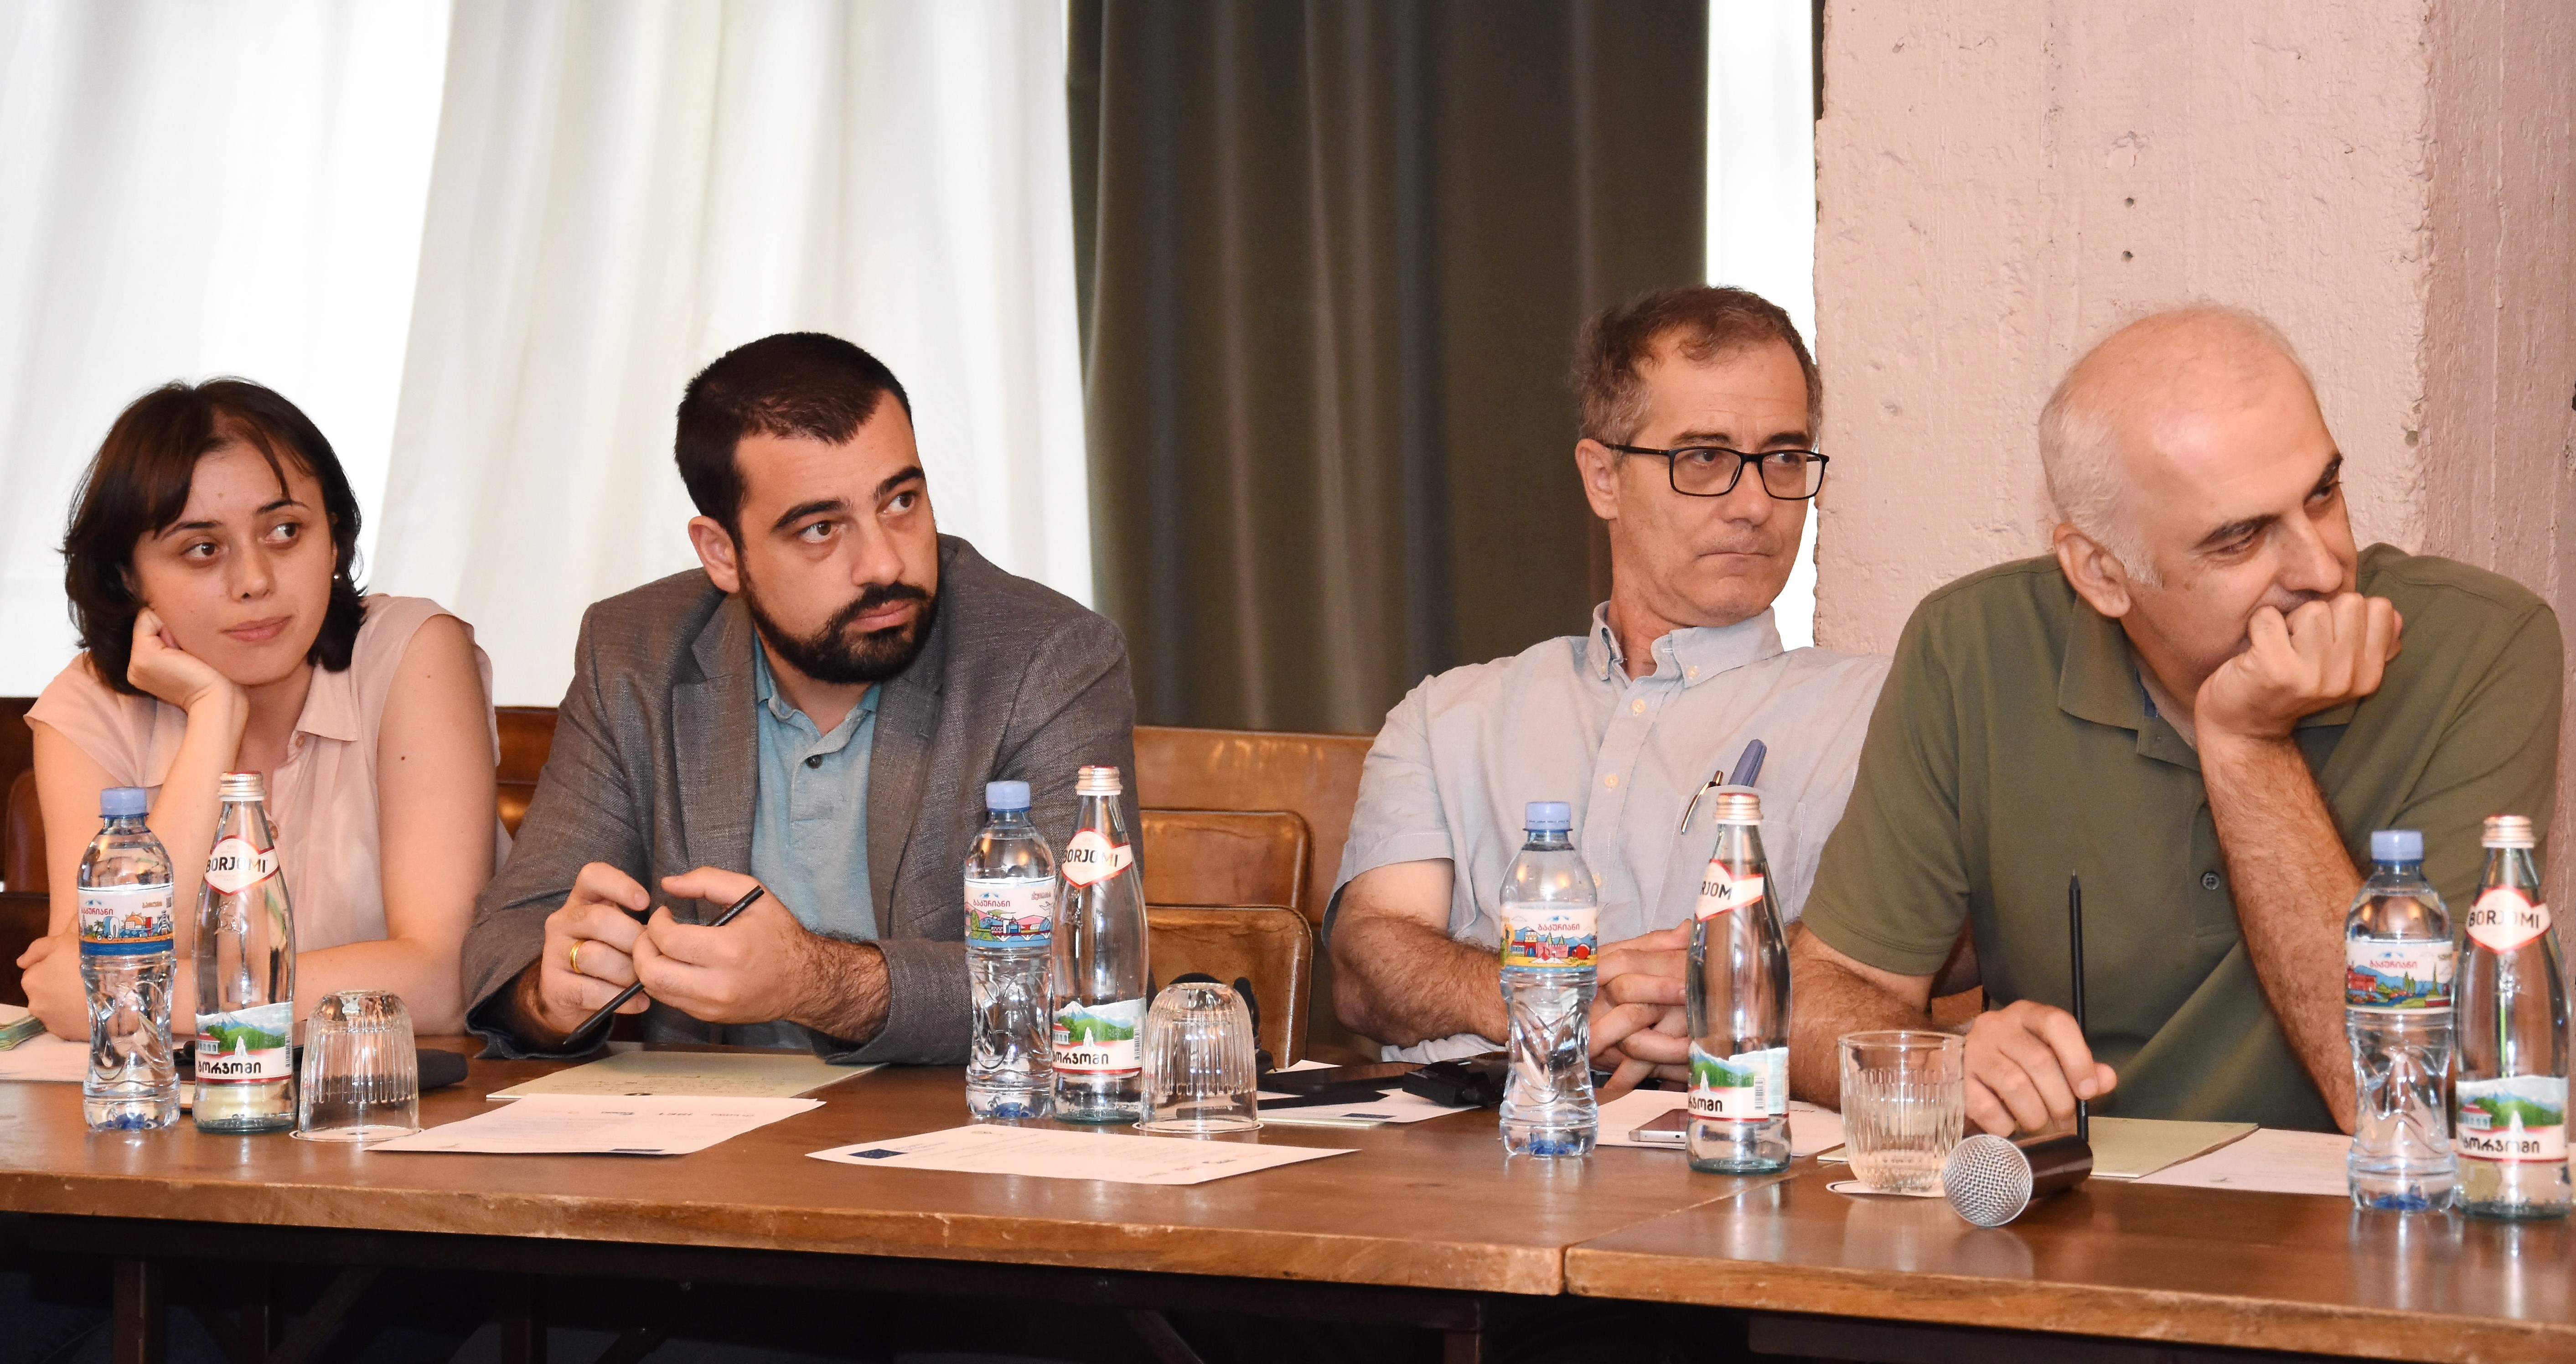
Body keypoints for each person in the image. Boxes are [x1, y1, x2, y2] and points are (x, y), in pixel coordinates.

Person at [1790, 306, 2563, 1136]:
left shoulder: (2484, 645)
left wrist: (2249, 745)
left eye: (2322, 493)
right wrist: (1939, 1064)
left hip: (2358, 1204)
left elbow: (2406, 1102)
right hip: (2072, 1199)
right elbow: (1819, 993)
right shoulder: (1971, 647)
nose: (2322, 567)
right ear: (2101, 574)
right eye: (2240, 539)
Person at [462, 332, 1136, 1061]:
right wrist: (554, 991)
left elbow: (1080, 980)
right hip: (710, 1127)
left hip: (959, 1121)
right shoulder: (634, 654)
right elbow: (509, 940)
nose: (884, 563)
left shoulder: (1046, 657)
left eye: (901, 501)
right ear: (722, 554)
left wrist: (814, 982)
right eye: (820, 528)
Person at [1329, 285, 1889, 1085]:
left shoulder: (1884, 714)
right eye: (1705, 458)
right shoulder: (1448, 717)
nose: (1754, 504)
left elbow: (1912, 960)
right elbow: (1367, 969)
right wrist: (1552, 999)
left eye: (1784, 459)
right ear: (1603, 479)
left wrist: (1705, 988)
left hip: (1731, 1135)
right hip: (1459, 1138)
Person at [16, 379, 504, 1037]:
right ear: (129, 576)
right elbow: (82, 985)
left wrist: (143, 996)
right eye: (203, 549)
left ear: (334, 540)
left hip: (393, 1095)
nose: (255, 581)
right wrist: (213, 716)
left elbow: (444, 980)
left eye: (285, 531)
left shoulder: (412, 652)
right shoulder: (88, 707)